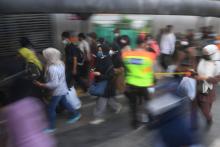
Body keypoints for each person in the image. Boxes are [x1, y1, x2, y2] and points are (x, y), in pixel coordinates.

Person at [34, 48, 81, 133]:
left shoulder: (52, 68)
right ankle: (75, 114)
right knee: (65, 102)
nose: (43, 57)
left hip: (58, 90)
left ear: (49, 56)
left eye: (45, 56)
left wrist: (41, 85)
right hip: (62, 88)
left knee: (51, 109)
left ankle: (51, 127)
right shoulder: (60, 63)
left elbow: (54, 84)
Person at [122, 37, 156, 129]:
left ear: (136, 44)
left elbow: (125, 68)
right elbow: (153, 70)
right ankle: (150, 122)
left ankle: (135, 123)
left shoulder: (127, 55)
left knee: (133, 105)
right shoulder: (150, 56)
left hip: (131, 83)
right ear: (143, 44)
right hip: (145, 84)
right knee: (148, 103)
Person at [90, 43, 122, 125]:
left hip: (106, 85)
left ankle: (99, 117)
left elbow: (110, 76)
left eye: (100, 50)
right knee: (109, 99)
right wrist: (93, 70)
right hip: (101, 83)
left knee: (101, 101)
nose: (98, 52)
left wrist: (99, 74)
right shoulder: (100, 58)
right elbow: (95, 67)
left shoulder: (108, 62)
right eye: (98, 50)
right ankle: (117, 106)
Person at [194, 44, 220, 128]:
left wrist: (205, 78)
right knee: (198, 105)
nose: (204, 55)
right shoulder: (202, 60)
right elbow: (198, 70)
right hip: (198, 87)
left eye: (206, 53)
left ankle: (209, 118)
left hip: (208, 91)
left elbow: (216, 80)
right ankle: (206, 116)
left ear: (212, 54)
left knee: (205, 109)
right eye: (204, 52)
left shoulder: (217, 65)